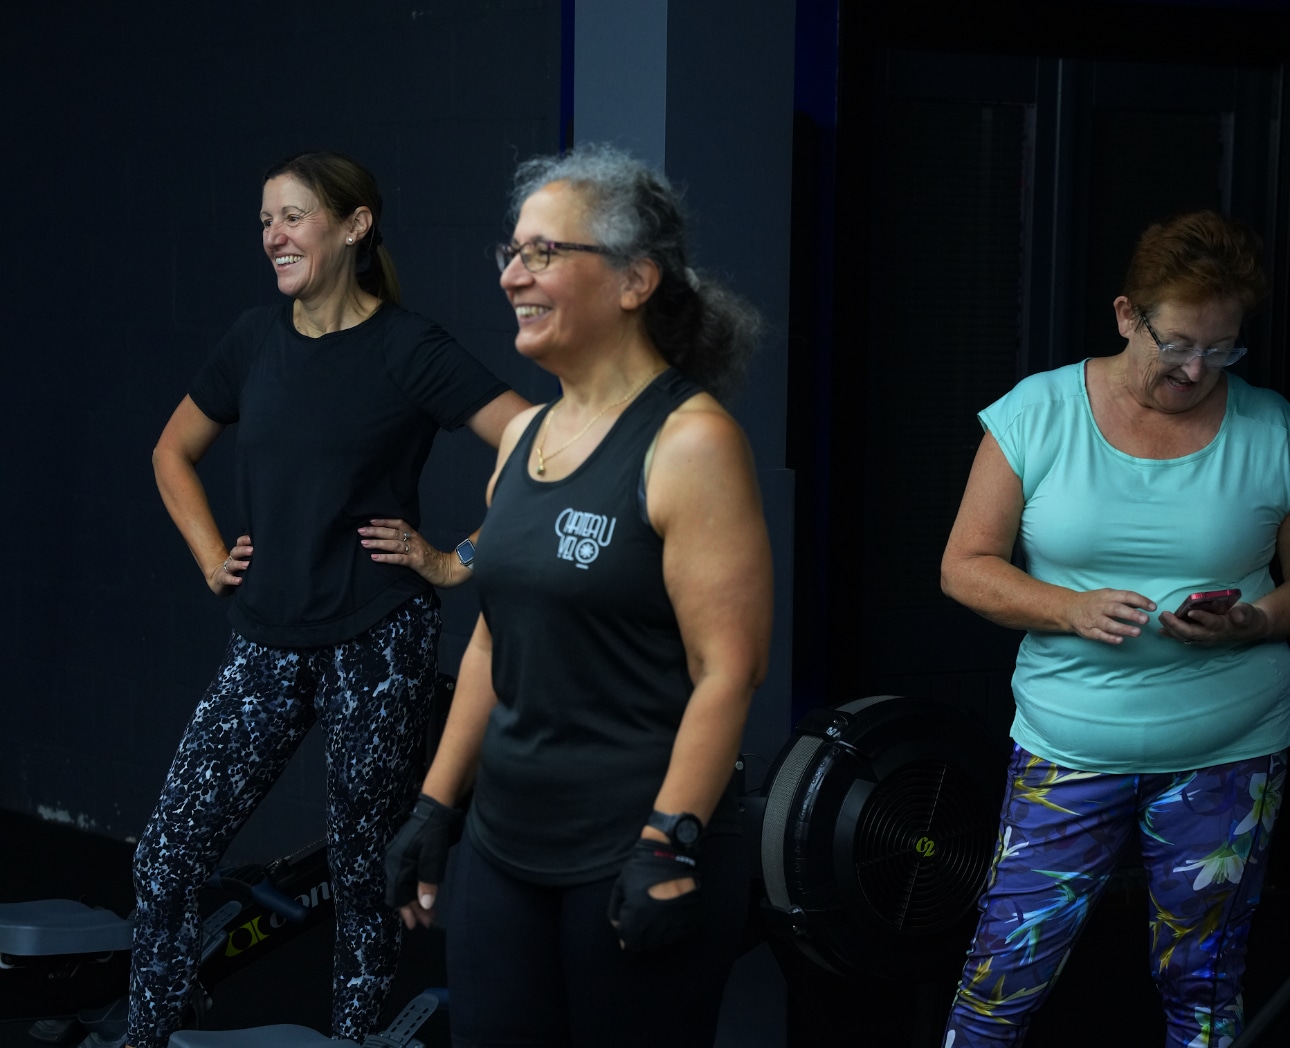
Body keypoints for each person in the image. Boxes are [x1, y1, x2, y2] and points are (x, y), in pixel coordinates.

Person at [130, 150, 527, 1048]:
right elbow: (170, 451)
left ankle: (354, 1040)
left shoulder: (407, 348)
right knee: (165, 860)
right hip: (265, 641)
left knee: (360, 879)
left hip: (376, 644)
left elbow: (534, 441)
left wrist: (457, 558)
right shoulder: (252, 340)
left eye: (294, 216)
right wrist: (207, 554)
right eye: (266, 220)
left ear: (354, 226)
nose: (273, 235)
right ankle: (144, 1038)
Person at [383, 143, 773, 1047]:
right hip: (506, 849)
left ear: (635, 279)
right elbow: (492, 640)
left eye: (545, 253)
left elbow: (730, 669)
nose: (515, 274)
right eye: (511, 253)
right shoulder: (524, 437)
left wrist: (667, 841)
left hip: (631, 846)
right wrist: (434, 808)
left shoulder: (690, 444)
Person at [939, 210, 1290, 1047]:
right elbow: (963, 566)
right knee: (1003, 974)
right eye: (1177, 343)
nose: (1197, 368)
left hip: (1230, 751)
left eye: (1222, 348)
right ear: (1128, 314)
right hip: (1071, 747)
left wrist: (1252, 620)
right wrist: (1070, 608)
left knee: (1202, 986)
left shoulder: (1272, 426)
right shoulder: (1039, 411)